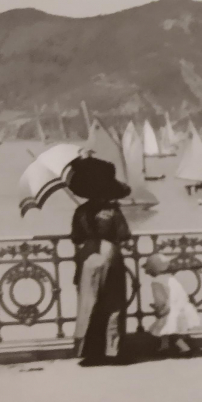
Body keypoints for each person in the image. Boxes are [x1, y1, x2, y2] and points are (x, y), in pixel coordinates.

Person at [69, 156, 133, 366]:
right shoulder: (112, 211)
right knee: (112, 303)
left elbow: (76, 238)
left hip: (88, 255)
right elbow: (124, 235)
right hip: (109, 253)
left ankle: (89, 351)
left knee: (89, 302)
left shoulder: (81, 211)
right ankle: (112, 351)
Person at [144, 254, 200, 356]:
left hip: (170, 309)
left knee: (171, 331)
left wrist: (159, 308)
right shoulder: (171, 278)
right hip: (181, 307)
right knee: (165, 328)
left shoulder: (156, 282)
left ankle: (185, 349)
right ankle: (164, 346)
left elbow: (160, 299)